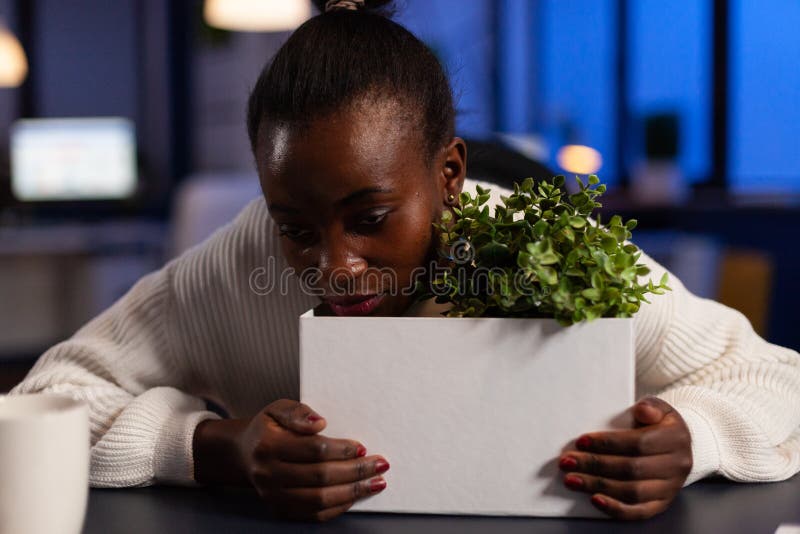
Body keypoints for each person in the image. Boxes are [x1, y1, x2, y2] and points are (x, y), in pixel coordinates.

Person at [12, 0, 800, 523]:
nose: (336, 265)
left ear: (450, 176)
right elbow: (46, 400)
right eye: (296, 225)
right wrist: (219, 448)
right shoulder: (237, 261)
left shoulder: (546, 253)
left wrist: (693, 438)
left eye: (371, 218)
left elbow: (775, 381)